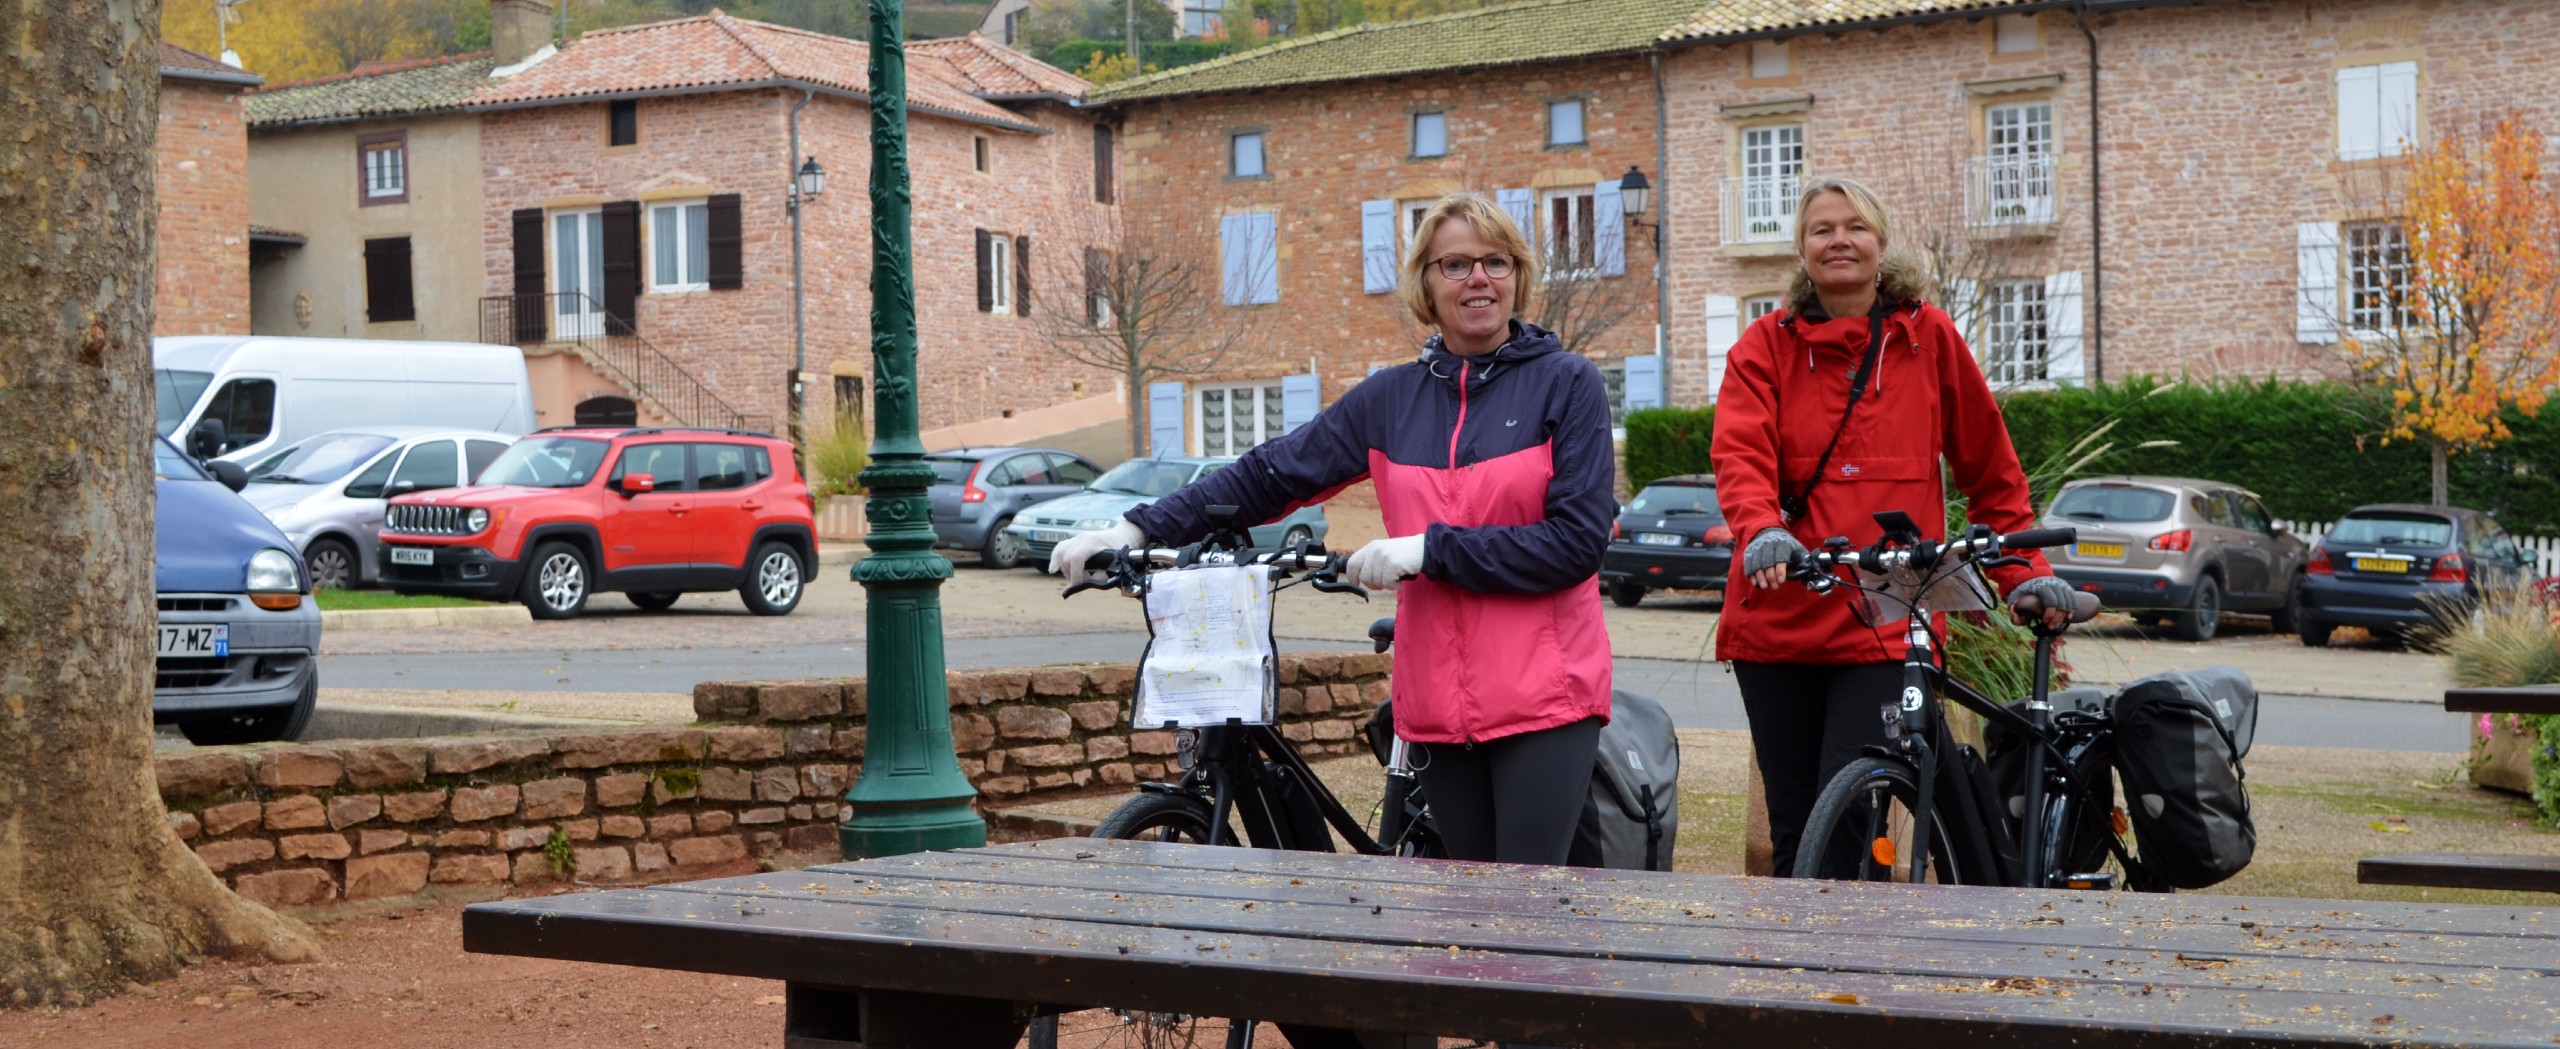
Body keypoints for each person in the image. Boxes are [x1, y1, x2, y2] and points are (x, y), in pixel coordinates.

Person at [1049, 194, 1617, 866]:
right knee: (1466, 904)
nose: (1478, 279)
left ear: (1517, 275)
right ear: (1426, 283)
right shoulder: (1390, 399)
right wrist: (1135, 526)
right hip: (1435, 695)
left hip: (1544, 694)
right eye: (1456, 264)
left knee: (1524, 903)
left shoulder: (1568, 383)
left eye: (1495, 261)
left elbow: (1575, 543)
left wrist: (1429, 550)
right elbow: (1268, 475)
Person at [1710, 176, 2077, 878]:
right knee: (1796, 830)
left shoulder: (1927, 337)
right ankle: (1802, 977)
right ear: (1801, 249)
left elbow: (1990, 466)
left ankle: (1854, 970)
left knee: (1852, 813)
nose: (1839, 239)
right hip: (1783, 613)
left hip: (1885, 612)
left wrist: (2025, 571)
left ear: (1880, 243)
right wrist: (1760, 526)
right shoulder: (1763, 346)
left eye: (1854, 226)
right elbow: (1739, 452)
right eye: (1821, 228)